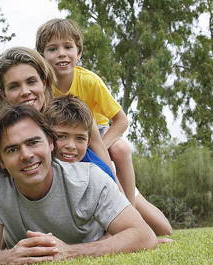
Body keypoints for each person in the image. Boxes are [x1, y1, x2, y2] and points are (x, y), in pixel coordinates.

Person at [0, 104, 157, 265]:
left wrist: (71, 252)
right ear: (0, 160)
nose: (26, 155)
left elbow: (143, 234)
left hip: (91, 243)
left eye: (33, 142)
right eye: (12, 149)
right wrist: (6, 257)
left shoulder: (90, 178)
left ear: (51, 143)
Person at [35, 18, 138, 207]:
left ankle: (130, 205)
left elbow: (121, 121)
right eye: (52, 49)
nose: (61, 54)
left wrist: (98, 147)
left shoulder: (90, 81)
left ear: (79, 53)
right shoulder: (42, 87)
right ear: (41, 56)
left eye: (68, 47)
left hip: (96, 132)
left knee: (121, 149)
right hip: (63, 137)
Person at [44, 95, 173, 237]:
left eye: (79, 138)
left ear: (88, 143)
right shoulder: (42, 164)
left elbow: (119, 229)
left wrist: (138, 235)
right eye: (61, 136)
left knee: (164, 229)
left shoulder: (98, 172)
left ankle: (134, 199)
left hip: (117, 186)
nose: (71, 146)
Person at [0, 46, 112, 167]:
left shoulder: (73, 116)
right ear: (3, 94)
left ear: (43, 82)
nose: (25, 91)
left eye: (31, 82)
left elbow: (109, 175)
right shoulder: (1, 136)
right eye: (14, 86)